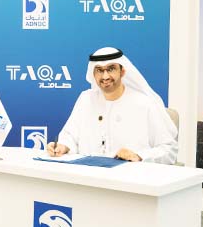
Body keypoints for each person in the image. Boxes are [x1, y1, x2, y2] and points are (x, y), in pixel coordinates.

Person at [46, 47, 178, 164]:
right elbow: (70, 136)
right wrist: (62, 146)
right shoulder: (85, 99)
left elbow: (169, 150)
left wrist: (139, 156)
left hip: (132, 182)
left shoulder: (144, 103)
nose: (105, 76)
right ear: (93, 74)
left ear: (122, 72)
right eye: (99, 70)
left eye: (111, 69)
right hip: (87, 178)